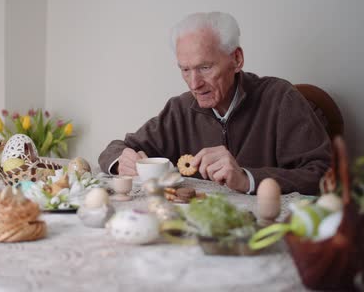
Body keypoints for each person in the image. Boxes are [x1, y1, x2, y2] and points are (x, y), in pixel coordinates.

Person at [98, 12, 331, 195]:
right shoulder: (179, 109)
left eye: (205, 68)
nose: (194, 83)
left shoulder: (280, 98)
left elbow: (322, 173)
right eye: (185, 70)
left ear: (236, 59)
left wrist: (246, 178)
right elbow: (116, 149)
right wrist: (122, 161)